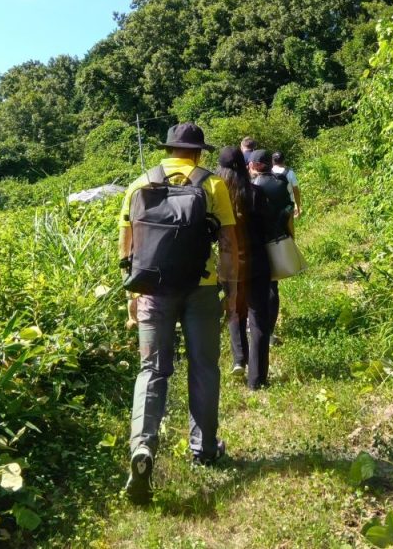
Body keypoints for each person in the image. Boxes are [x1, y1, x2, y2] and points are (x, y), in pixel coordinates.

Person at [119, 123, 238, 504]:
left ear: (168, 149)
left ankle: (142, 447)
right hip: (201, 290)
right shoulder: (212, 185)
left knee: (151, 370)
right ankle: (203, 449)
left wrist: (132, 298)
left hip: (152, 291)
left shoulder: (139, 184)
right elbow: (229, 246)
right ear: (198, 153)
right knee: (203, 366)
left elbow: (128, 249)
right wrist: (231, 293)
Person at [215, 147, 270, 379]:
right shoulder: (256, 194)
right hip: (256, 262)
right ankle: (256, 379)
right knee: (258, 319)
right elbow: (268, 230)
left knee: (235, 313)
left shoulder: (216, 199)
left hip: (229, 265)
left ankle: (239, 359)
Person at [246, 149, 295, 389]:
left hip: (256, 246)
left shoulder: (252, 188)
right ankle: (271, 328)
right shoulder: (280, 183)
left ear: (254, 165)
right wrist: (291, 239)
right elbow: (288, 213)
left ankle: (257, 332)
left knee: (260, 290)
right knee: (273, 286)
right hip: (278, 240)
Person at [272, 151, 301, 219]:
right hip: (288, 205)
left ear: (272, 161)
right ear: (284, 160)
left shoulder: (269, 173)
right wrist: (298, 206)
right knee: (289, 225)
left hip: (273, 206)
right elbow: (296, 191)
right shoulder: (290, 172)